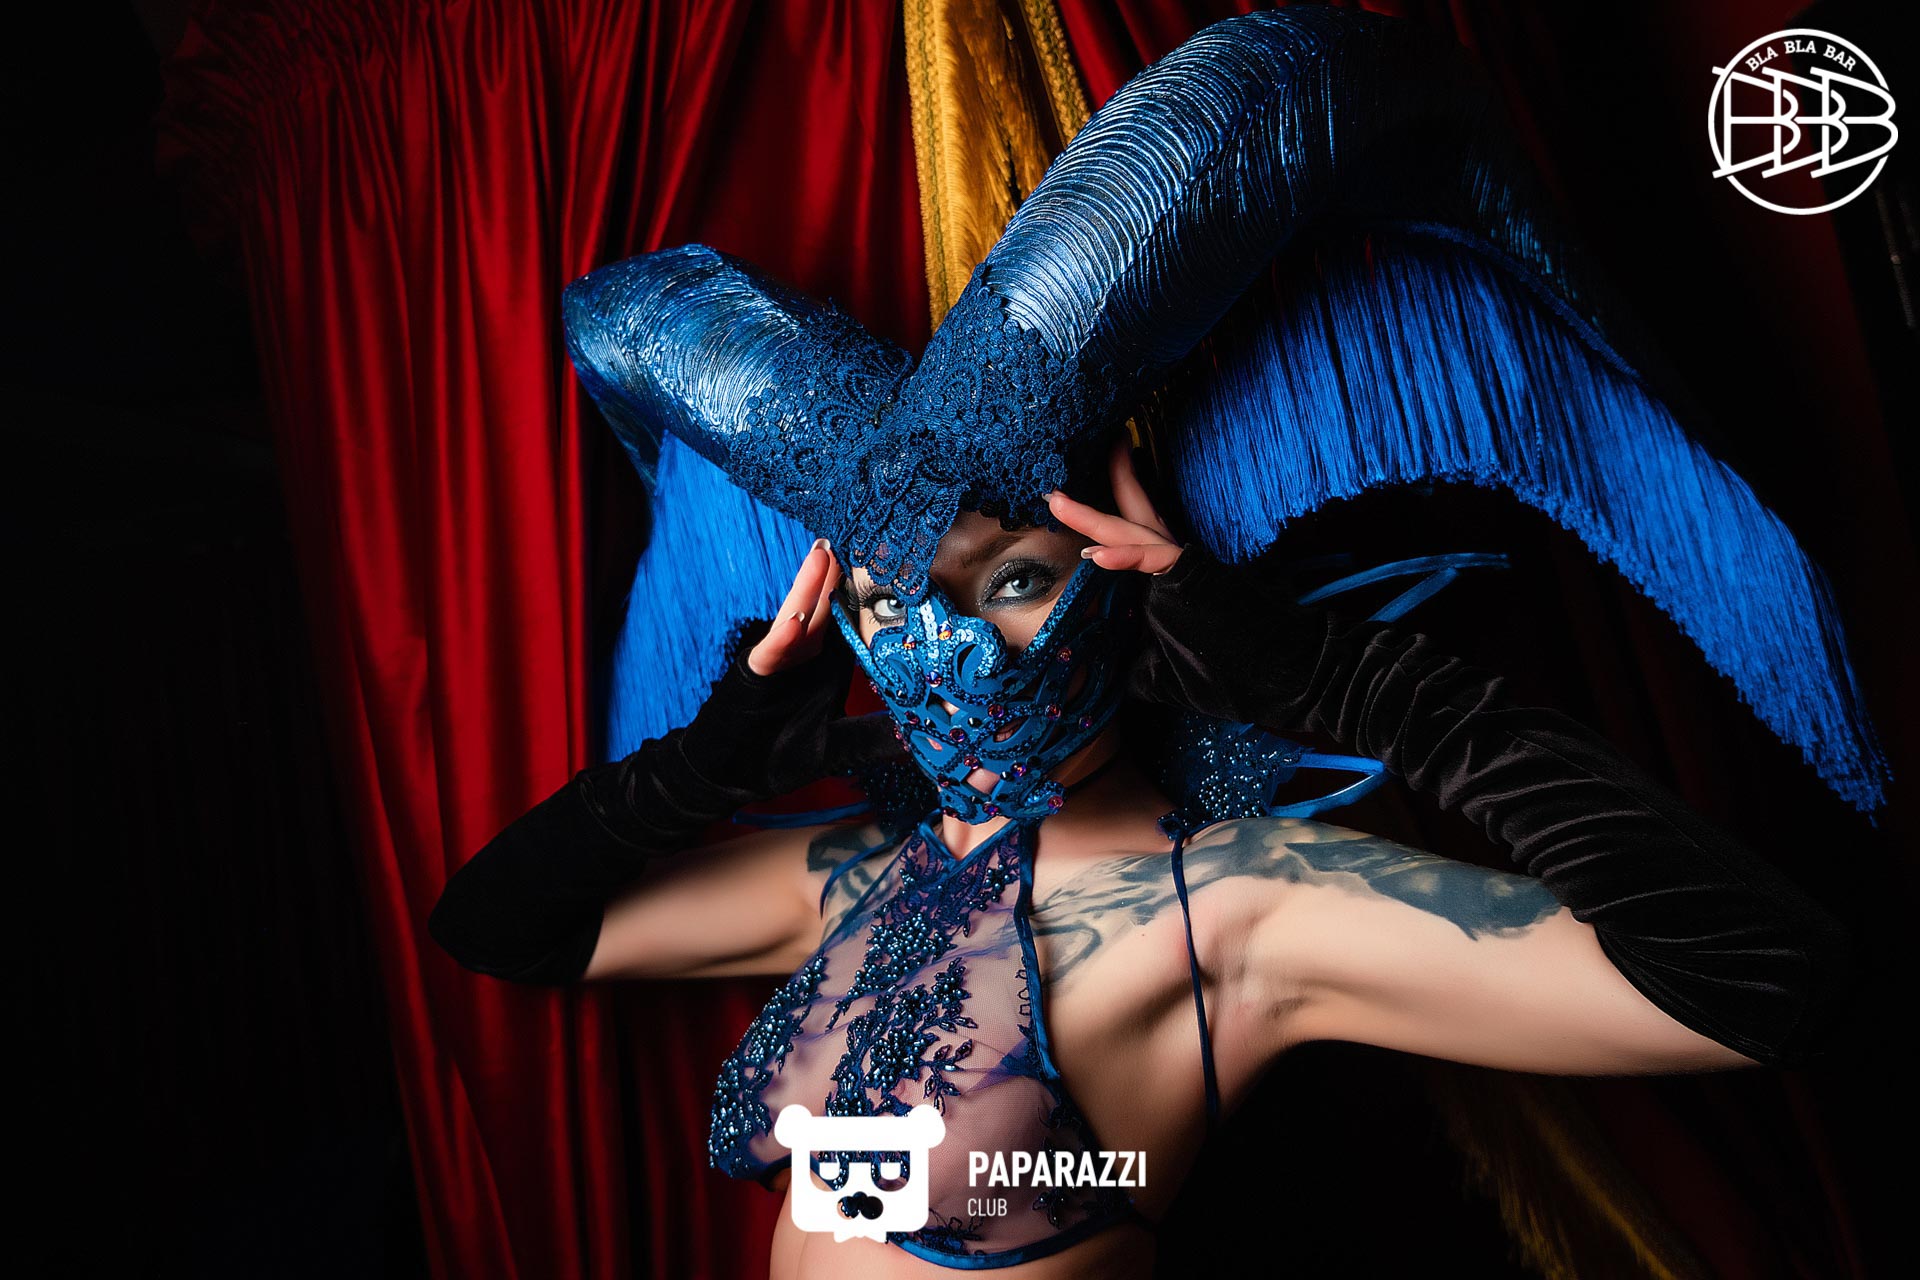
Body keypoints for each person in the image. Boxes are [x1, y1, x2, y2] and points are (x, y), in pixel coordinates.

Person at [429, 8, 1885, 1277]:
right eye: (888, 599)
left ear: (1123, 588)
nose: (944, 645)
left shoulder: (1231, 910)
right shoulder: (855, 881)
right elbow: (500, 930)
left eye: (1011, 579)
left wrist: (1337, 678)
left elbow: (1768, 985)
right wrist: (710, 757)